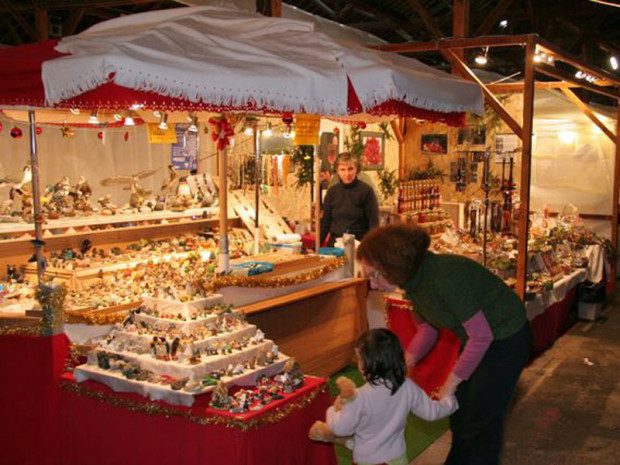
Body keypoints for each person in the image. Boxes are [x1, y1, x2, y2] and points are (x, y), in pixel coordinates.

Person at [356, 225, 531, 465]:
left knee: (481, 421)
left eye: (373, 275)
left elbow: (481, 336)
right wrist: (404, 363)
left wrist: (450, 383)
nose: (372, 285)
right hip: (477, 339)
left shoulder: (444, 275)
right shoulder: (413, 283)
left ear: (391, 265)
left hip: (506, 338)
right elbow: (428, 328)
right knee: (460, 416)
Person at [311, 328, 457, 465]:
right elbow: (432, 413)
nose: (358, 365)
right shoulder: (407, 386)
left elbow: (340, 429)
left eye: (360, 359)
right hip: (397, 458)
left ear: (369, 363)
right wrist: (450, 401)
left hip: (367, 460)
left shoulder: (359, 396)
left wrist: (332, 411)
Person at [320, 152, 379, 247]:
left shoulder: (367, 191)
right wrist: (315, 246)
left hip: (359, 245)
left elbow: (374, 225)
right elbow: (325, 224)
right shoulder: (332, 192)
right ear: (337, 171)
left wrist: (370, 248)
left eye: (350, 169)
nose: (347, 173)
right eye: (342, 170)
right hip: (335, 246)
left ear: (357, 169)